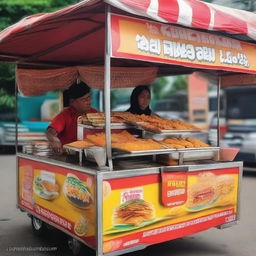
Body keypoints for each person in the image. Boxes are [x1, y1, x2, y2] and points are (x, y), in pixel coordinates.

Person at [46, 81, 98, 153]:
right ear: (72, 102)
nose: (89, 102)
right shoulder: (65, 115)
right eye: (84, 99)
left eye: (89, 97)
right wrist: (54, 139)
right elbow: (50, 131)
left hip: (91, 154)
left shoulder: (96, 114)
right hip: (68, 156)